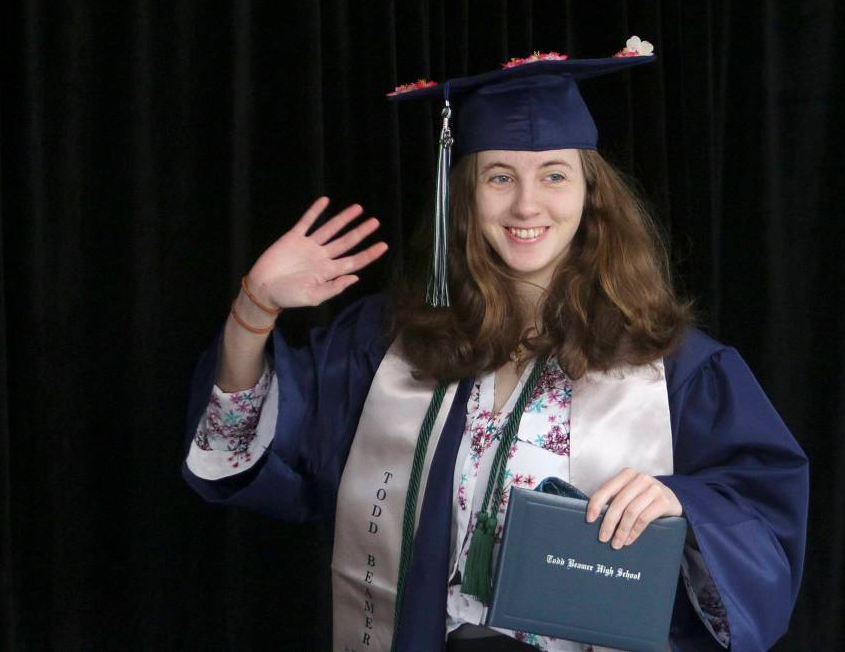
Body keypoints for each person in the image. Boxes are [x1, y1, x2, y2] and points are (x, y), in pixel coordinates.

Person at [183, 41, 808, 652]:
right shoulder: (389, 347)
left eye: (554, 175)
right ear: (464, 196)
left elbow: (764, 522)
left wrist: (683, 500)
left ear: (592, 194)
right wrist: (254, 310)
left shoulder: (676, 368)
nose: (526, 203)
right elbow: (247, 450)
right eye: (499, 176)